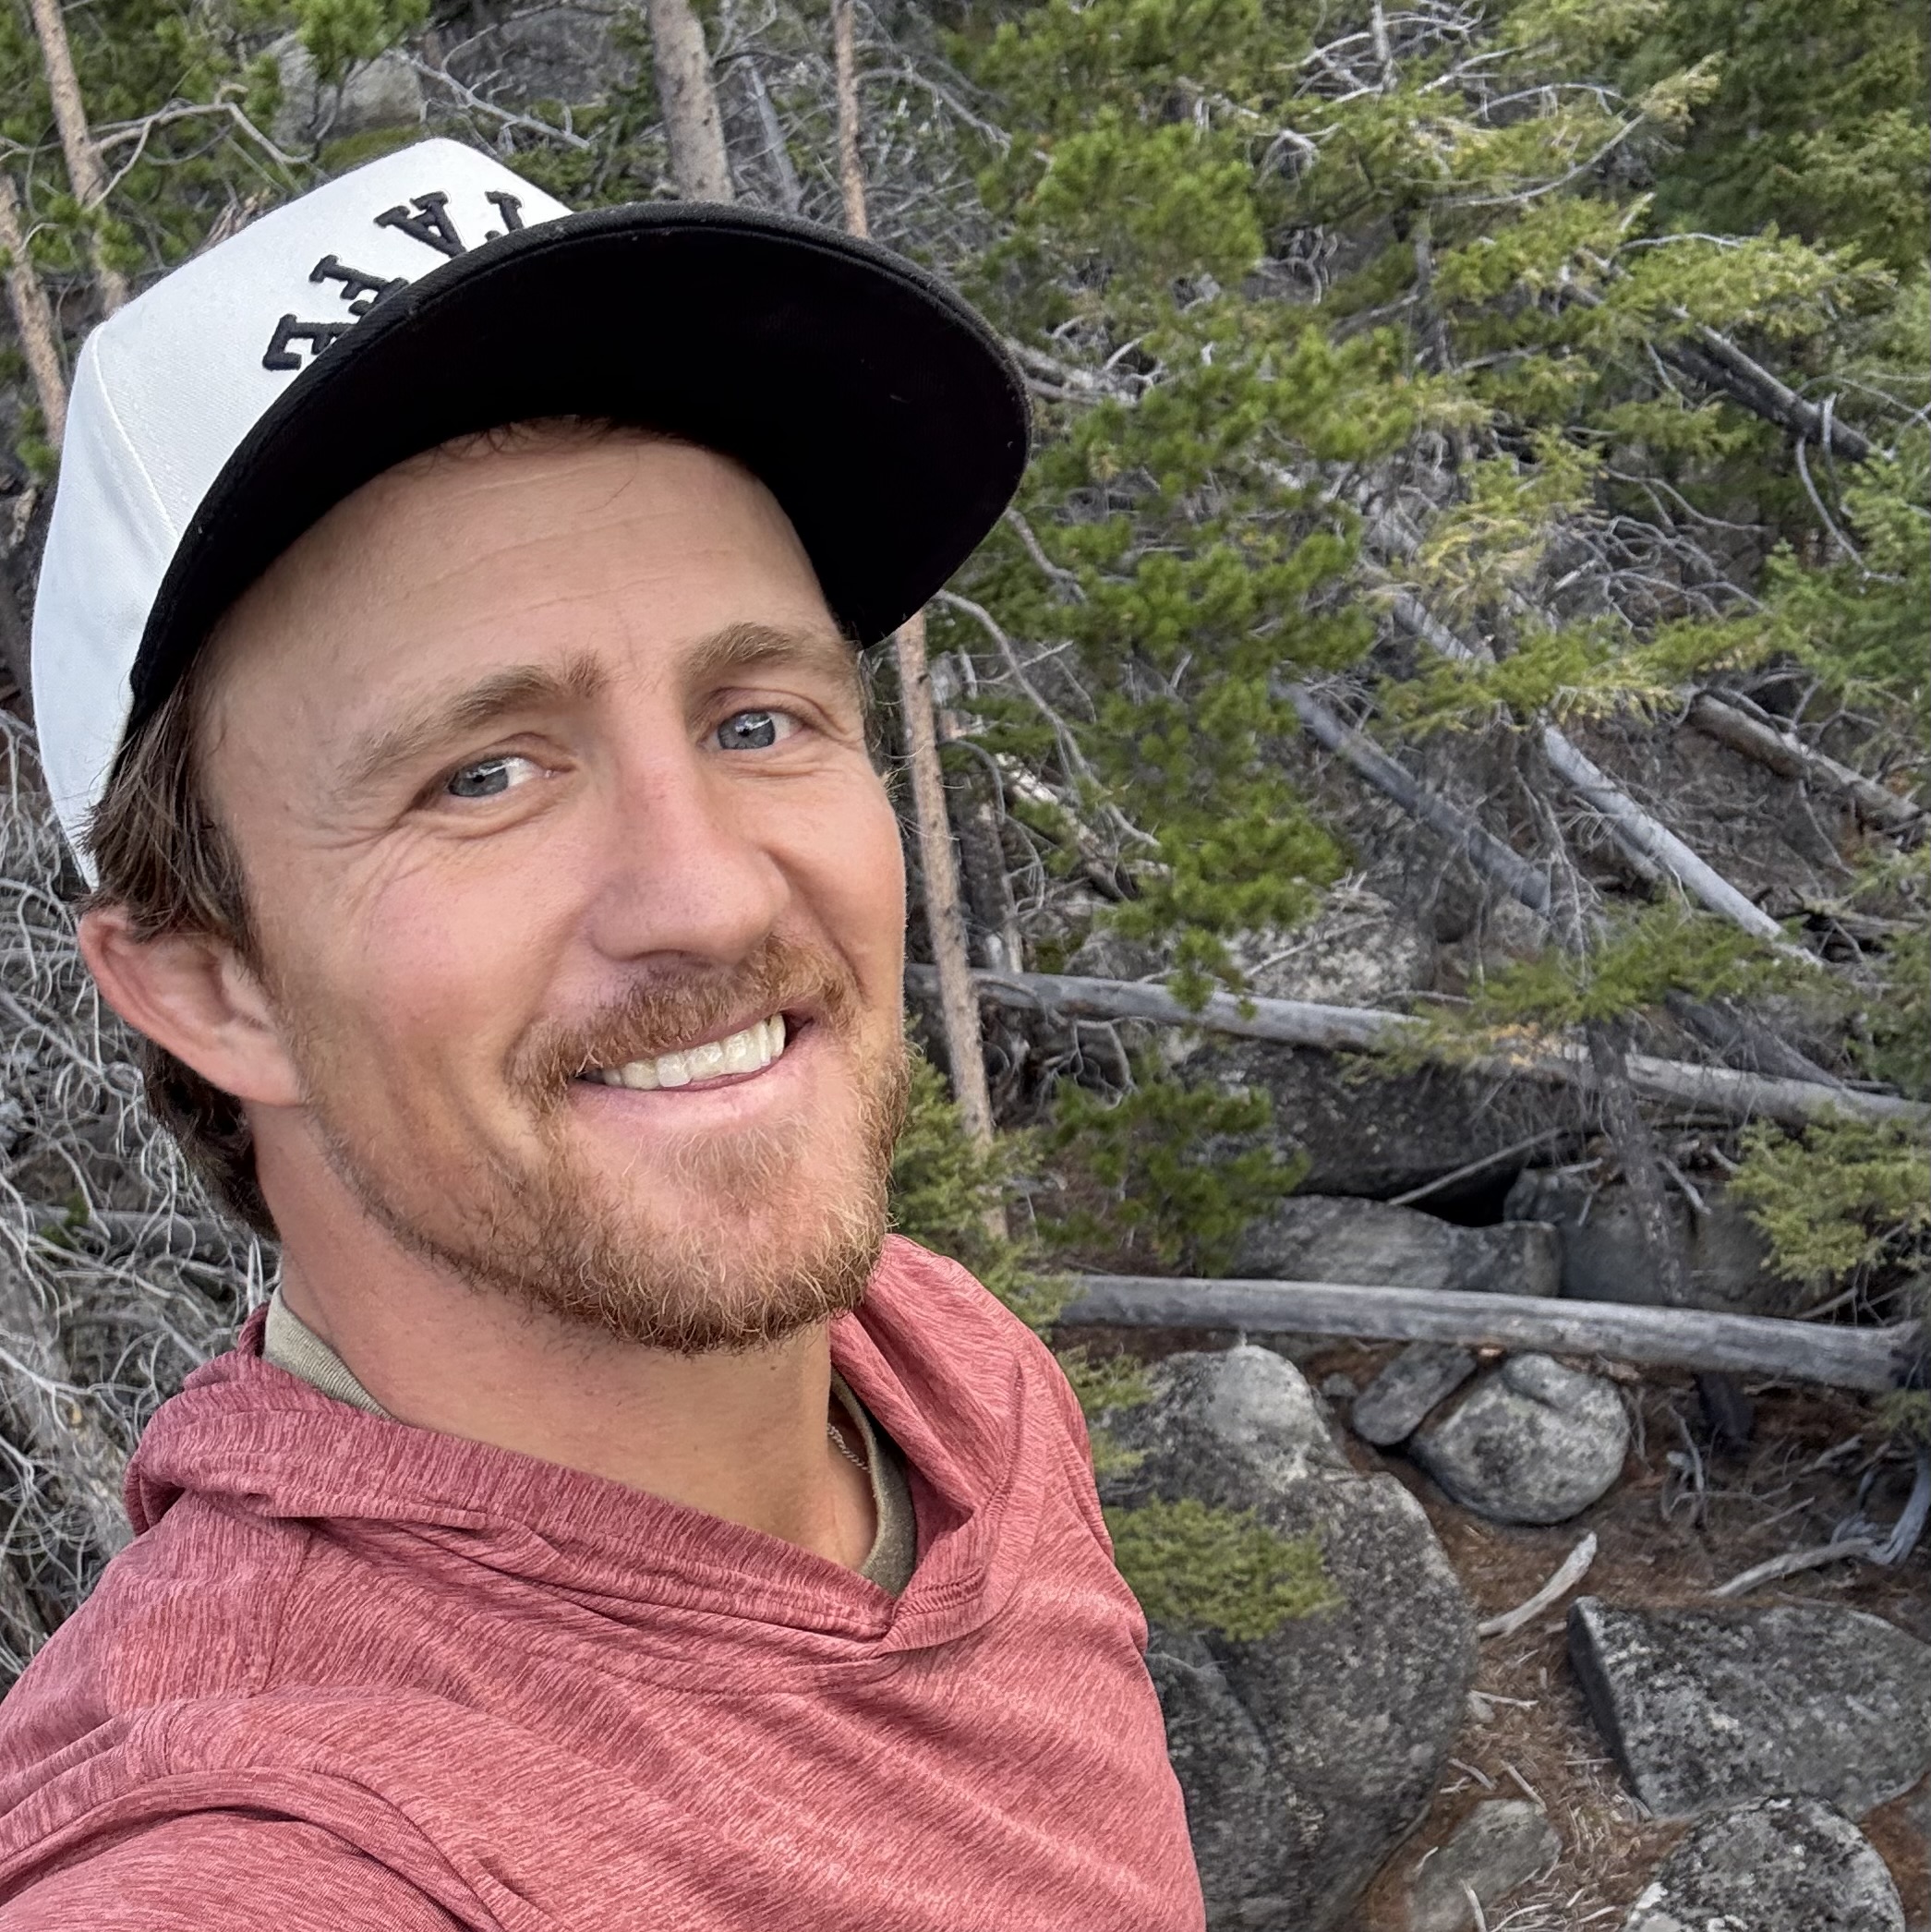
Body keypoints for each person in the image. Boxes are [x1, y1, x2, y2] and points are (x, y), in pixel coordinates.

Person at [0, 140, 1204, 1928]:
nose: (707, 896)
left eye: (755, 716)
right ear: (208, 983)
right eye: (483, 772)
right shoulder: (268, 1841)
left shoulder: (932, 1369)